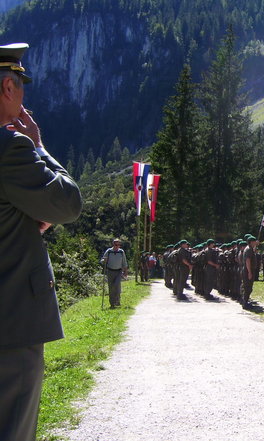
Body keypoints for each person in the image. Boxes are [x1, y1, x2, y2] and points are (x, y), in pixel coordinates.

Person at [0, 42, 82, 441]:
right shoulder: (11, 149)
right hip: (10, 325)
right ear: (7, 90)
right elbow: (67, 202)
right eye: (22, 87)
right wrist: (38, 145)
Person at [101, 239, 129, 308]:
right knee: (111, 287)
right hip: (110, 271)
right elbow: (102, 260)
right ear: (113, 245)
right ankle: (112, 303)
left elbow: (124, 262)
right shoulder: (109, 251)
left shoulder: (121, 252)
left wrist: (125, 271)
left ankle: (117, 301)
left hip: (119, 271)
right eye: (116, 245)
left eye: (119, 245)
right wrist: (104, 260)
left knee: (117, 285)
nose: (117, 246)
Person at [241, 236, 257, 307]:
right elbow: (248, 261)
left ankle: (245, 301)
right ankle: (245, 303)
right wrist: (249, 272)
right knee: (248, 287)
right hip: (248, 270)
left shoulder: (249, 249)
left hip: (248, 270)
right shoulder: (248, 250)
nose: (255, 243)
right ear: (251, 242)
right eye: (254, 241)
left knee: (248, 286)